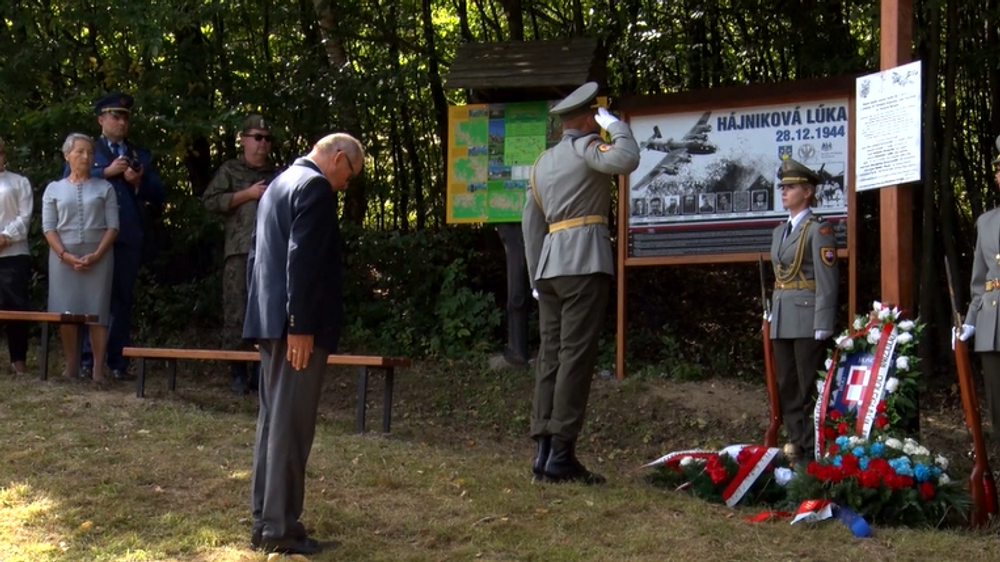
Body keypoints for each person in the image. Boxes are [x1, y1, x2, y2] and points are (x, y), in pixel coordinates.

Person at [243, 132, 363, 554]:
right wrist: (300, 324)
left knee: (273, 423)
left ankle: (264, 520)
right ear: (339, 159)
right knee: (291, 428)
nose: (344, 187)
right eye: (350, 177)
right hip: (294, 328)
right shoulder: (313, 185)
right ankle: (280, 528)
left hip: (268, 320)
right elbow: (303, 259)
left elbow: (257, 258)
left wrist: (264, 317)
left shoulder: (278, 183)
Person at [522, 82, 640, 485]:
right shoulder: (588, 149)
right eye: (596, 115)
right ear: (589, 118)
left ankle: (542, 452)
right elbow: (626, 159)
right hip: (584, 262)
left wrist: (536, 271)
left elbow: (531, 222)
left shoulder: (542, 163)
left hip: (550, 267)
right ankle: (562, 455)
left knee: (550, 356)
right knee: (575, 357)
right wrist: (617, 126)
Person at [75, 92, 165, 380]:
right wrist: (105, 172)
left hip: (127, 236)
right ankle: (88, 360)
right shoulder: (87, 150)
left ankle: (116, 362)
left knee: (122, 299)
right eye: (115, 115)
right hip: (92, 235)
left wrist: (138, 183)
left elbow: (159, 193)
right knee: (93, 299)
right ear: (101, 119)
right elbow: (68, 175)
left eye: (125, 116)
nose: (121, 121)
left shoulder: (140, 154)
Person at [202, 115, 278, 394]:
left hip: (270, 254)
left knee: (265, 312)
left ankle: (261, 372)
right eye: (257, 137)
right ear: (244, 139)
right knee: (236, 309)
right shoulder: (231, 170)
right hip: (239, 250)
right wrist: (246, 194)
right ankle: (237, 372)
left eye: (267, 138)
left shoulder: (277, 174)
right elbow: (210, 201)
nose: (262, 143)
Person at [769, 157, 838, 461]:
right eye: (782, 186)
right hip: (783, 315)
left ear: (808, 192)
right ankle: (796, 441)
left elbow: (827, 279)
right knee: (786, 384)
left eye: (791, 187)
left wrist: (824, 319)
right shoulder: (779, 232)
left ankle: (813, 449)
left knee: (808, 383)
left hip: (808, 316)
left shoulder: (818, 230)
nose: (784, 192)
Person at [43, 134, 119, 383]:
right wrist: (65, 256)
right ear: (67, 156)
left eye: (89, 152)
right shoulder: (53, 189)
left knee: (97, 311)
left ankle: (98, 370)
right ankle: (72, 367)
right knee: (66, 312)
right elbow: (48, 228)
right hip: (63, 258)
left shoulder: (104, 187)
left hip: (99, 256)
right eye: (79, 152)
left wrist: (97, 254)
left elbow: (113, 226)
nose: (86, 157)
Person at [957, 142, 1000, 450]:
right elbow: (980, 280)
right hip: (993, 325)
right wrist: (970, 321)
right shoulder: (986, 222)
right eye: (999, 170)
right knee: (998, 408)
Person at [0, 137, 33, 375]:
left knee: (17, 308)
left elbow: (25, 216)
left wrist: (5, 237)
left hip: (13, 254)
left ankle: (18, 360)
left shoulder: (19, 182)